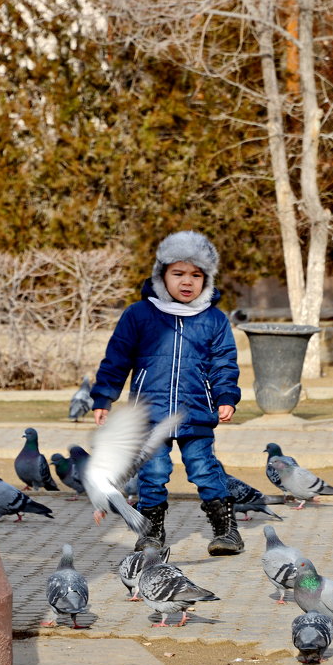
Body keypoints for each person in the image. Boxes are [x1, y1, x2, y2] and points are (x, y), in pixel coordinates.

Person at [90, 230, 244, 556]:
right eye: (178, 274)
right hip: (150, 414)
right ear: (162, 275)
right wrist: (104, 396)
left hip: (196, 412)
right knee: (154, 471)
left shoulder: (214, 320)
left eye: (196, 275)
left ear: (207, 279)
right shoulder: (139, 314)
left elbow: (224, 363)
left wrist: (226, 397)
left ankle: (225, 529)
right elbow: (117, 357)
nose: (187, 282)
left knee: (204, 469)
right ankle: (151, 532)